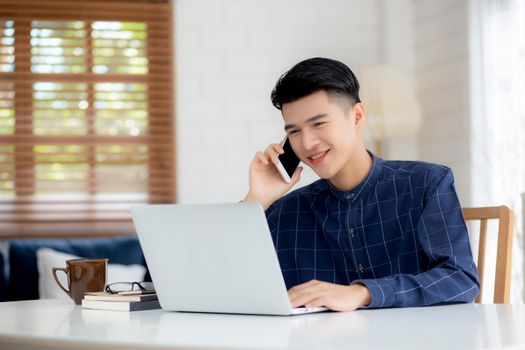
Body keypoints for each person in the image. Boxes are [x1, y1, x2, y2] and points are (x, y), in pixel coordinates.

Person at [243, 57, 480, 311]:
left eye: (319, 123)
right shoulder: (285, 212)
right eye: (294, 131)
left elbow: (461, 280)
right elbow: (228, 283)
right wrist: (257, 199)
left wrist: (362, 293)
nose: (308, 143)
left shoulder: (426, 184)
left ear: (357, 116)